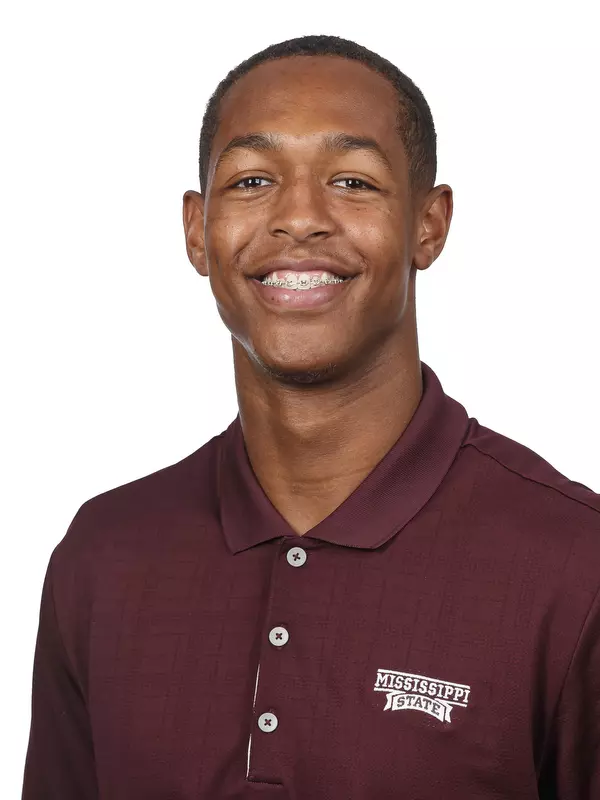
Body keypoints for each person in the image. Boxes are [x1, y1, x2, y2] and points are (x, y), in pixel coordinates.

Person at [22, 34, 600, 800]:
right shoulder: (102, 558)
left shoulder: (574, 564)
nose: (299, 217)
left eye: (354, 181)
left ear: (429, 225)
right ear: (198, 231)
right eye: (254, 178)